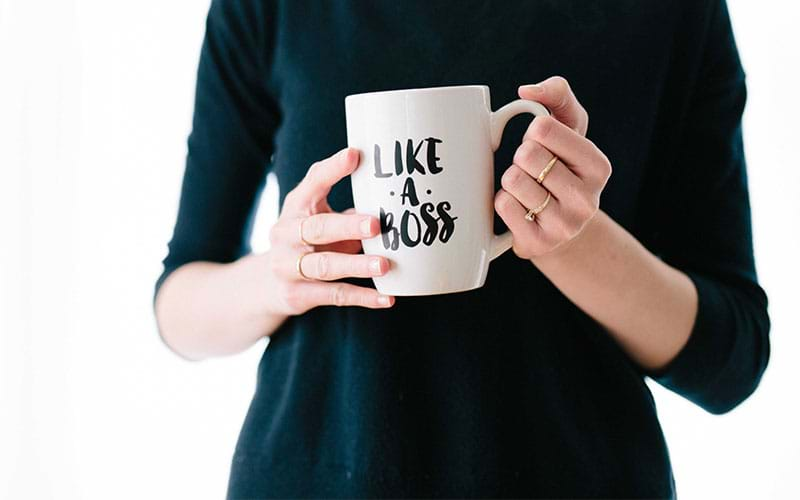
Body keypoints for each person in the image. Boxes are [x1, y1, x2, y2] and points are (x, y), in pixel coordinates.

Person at [154, 0, 770, 497]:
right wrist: (280, 276)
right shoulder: (266, 9)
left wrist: (570, 241)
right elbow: (178, 306)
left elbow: (730, 360)